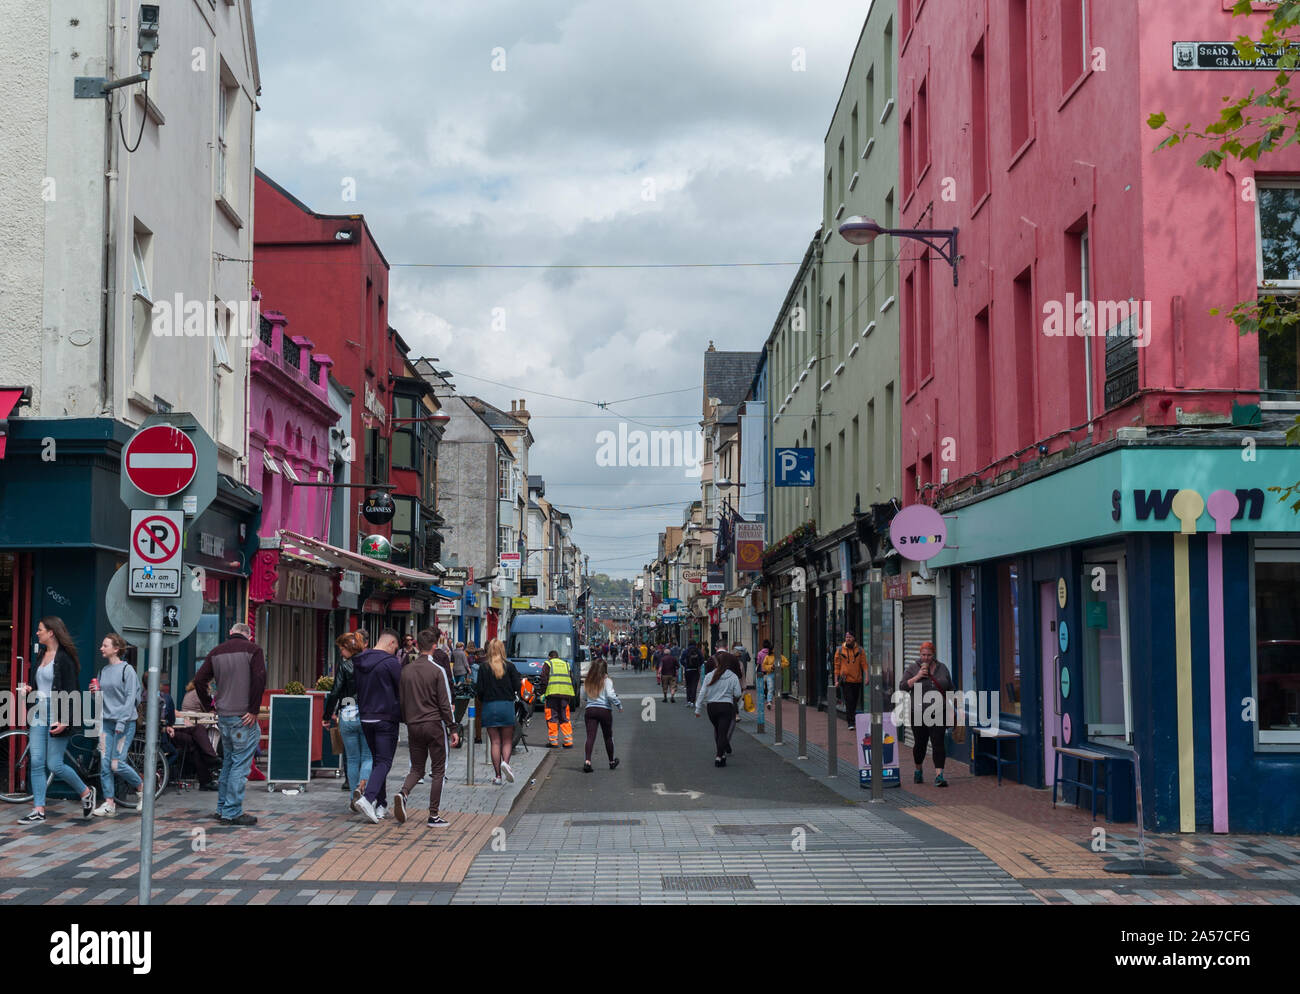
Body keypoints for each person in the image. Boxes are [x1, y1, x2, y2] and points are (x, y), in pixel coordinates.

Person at [17, 618, 96, 825]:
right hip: (38, 711)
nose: (37, 633)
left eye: (40, 630)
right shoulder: (42, 655)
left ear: (51, 632)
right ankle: (39, 809)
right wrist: (30, 691)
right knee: (36, 761)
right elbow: (40, 686)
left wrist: (66, 720)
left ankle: (86, 792)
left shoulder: (65, 658)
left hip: (57, 712)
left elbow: (72, 691)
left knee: (55, 764)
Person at [194, 622, 267, 827]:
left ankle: (222, 808)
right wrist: (253, 709)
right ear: (249, 635)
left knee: (229, 762)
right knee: (240, 765)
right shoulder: (254, 650)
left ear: (230, 632)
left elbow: (199, 679)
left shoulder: (216, 652)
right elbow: (260, 679)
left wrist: (210, 705)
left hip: (224, 716)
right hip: (243, 717)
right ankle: (232, 812)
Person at [394, 628, 460, 827]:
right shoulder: (437, 670)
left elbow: (402, 700)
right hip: (433, 724)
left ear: (417, 646)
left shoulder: (406, 671)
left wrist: (407, 720)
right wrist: (453, 727)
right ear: (434, 646)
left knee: (416, 768)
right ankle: (433, 815)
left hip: (413, 724)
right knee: (438, 770)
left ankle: (403, 792)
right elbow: (444, 702)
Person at [351, 628, 404, 823]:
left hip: (365, 717)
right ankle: (369, 798)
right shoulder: (391, 663)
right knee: (384, 762)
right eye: (396, 647)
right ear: (390, 643)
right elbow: (402, 689)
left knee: (377, 761)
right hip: (386, 718)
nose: (396, 651)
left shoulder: (360, 660)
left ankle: (381, 805)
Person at [90, 634, 144, 816]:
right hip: (106, 723)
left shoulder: (127, 670)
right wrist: (95, 693)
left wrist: (121, 721)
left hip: (125, 723)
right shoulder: (103, 671)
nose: (101, 648)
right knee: (105, 764)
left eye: (105, 645)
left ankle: (142, 788)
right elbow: (101, 700)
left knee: (116, 764)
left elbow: (131, 698)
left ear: (116, 649)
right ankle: (109, 803)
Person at [323, 633, 371, 806]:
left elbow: (335, 692)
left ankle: (353, 796)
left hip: (347, 713)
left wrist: (327, 716)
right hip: (367, 713)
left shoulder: (344, 666)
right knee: (368, 756)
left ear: (349, 648)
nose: (341, 653)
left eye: (342, 649)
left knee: (352, 758)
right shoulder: (370, 664)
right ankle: (363, 788)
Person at [901, 641, 954, 788]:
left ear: (933, 654)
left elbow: (950, 688)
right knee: (920, 744)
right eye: (923, 655)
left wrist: (955, 708)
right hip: (918, 712)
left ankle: (939, 775)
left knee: (938, 743)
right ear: (920, 654)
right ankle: (918, 769)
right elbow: (903, 686)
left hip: (939, 711)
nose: (926, 658)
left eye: (929, 655)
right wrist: (918, 676)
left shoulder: (942, 668)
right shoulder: (913, 668)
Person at [476, 639, 523, 785]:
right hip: (506, 705)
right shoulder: (510, 667)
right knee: (507, 740)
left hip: (490, 706)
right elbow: (517, 686)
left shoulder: (483, 667)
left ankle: (497, 776)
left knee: (495, 742)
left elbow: (479, 690)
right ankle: (506, 764)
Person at [167, 679, 219, 790]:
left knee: (195, 739)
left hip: (176, 727)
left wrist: (182, 717)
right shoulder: (198, 693)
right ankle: (211, 759)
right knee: (199, 731)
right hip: (170, 731)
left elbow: (173, 711)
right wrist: (181, 718)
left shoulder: (186, 693)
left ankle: (209, 764)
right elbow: (209, 709)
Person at [694, 647, 743, 767]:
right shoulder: (732, 676)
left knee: (718, 730)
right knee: (722, 733)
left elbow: (702, 692)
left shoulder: (710, 675)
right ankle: (719, 756)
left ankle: (723, 755)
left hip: (711, 707)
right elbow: (737, 693)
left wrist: (698, 708)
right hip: (726, 706)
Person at [581, 657, 622, 772]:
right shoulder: (607, 680)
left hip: (590, 710)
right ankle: (611, 761)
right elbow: (610, 695)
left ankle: (587, 761)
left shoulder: (588, 680)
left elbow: (584, 696)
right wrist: (618, 704)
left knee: (590, 737)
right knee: (608, 736)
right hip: (604, 710)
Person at [539, 649, 578, 748]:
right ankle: (568, 741)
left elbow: (543, 679)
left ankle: (553, 741)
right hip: (565, 695)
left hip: (552, 695)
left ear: (549, 657)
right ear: (558, 656)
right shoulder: (566, 664)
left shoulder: (548, 664)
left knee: (552, 717)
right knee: (564, 718)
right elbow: (571, 679)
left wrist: (543, 693)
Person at [833, 631, 867, 730]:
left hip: (857, 680)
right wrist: (836, 680)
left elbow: (864, 664)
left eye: (850, 637)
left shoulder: (860, 650)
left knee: (855, 701)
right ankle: (850, 722)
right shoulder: (840, 650)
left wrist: (867, 676)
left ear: (854, 638)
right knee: (849, 701)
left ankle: (852, 718)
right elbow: (836, 666)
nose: (848, 639)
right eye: (846, 637)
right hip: (845, 680)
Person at [682, 640, 704, 707]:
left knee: (688, 686)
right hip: (695, 670)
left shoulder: (686, 651)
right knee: (694, 686)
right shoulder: (698, 651)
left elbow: (681, 660)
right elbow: (702, 660)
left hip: (687, 670)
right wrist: (698, 665)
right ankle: (692, 701)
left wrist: (686, 665)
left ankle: (688, 701)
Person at [757, 639, 776, 710]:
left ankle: (763, 698)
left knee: (762, 685)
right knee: (770, 686)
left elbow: (758, 662)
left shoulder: (760, 653)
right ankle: (768, 699)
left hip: (762, 672)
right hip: (770, 671)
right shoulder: (771, 653)